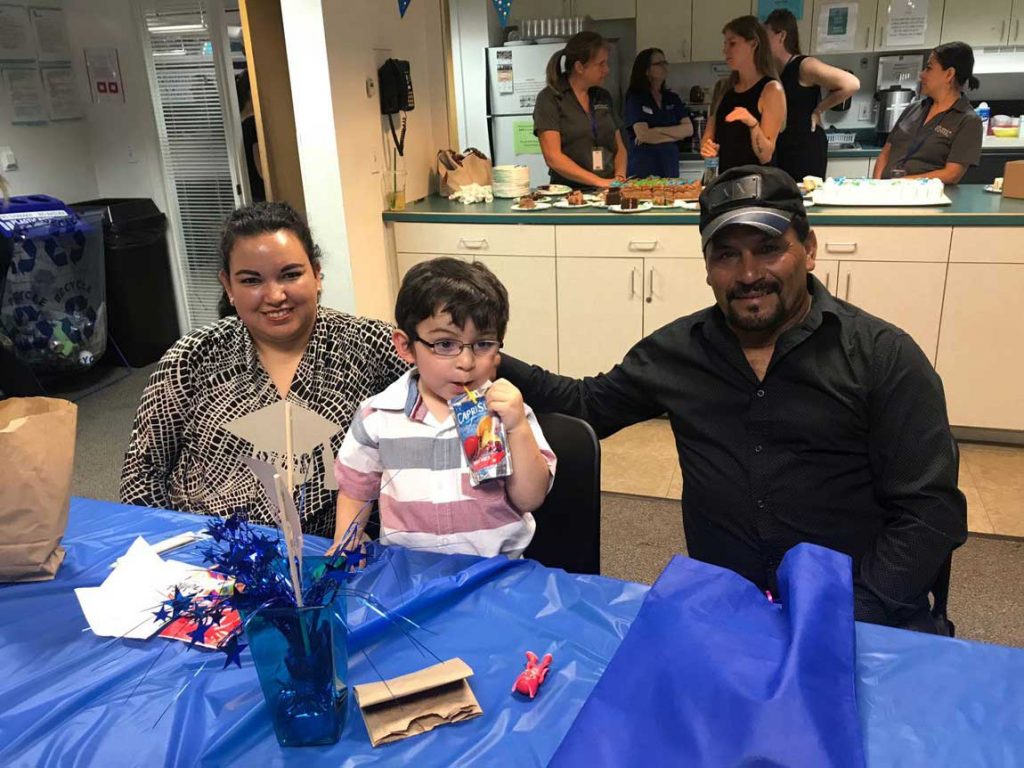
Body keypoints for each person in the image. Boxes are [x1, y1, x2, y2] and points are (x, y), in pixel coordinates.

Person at [499, 165, 967, 634]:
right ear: (707, 268)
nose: (748, 274)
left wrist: (856, 611)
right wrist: (477, 353)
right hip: (728, 613)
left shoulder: (882, 356)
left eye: (768, 249)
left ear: (808, 251)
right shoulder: (677, 352)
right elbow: (585, 404)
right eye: (726, 255)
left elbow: (929, 512)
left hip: (862, 612)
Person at [120, 202, 407, 537]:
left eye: (290, 274)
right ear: (228, 286)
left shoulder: (370, 345)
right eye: (251, 280)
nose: (274, 295)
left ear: (316, 274)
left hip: (329, 556)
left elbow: (454, 382)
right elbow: (142, 476)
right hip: (202, 555)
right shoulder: (192, 357)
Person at [332, 258, 556, 557]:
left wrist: (516, 427)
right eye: (445, 345)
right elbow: (356, 489)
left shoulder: (508, 414)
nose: (466, 362)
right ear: (406, 346)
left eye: (483, 344)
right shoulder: (378, 416)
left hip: (495, 573)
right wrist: (346, 543)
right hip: (408, 573)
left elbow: (530, 498)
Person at [764, 9, 861, 181]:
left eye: (766, 35)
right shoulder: (774, 71)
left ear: (781, 36)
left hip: (805, 149)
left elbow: (851, 84)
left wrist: (819, 109)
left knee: (807, 200)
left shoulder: (805, 65)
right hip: (783, 148)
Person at [873, 42, 983, 184]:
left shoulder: (968, 121)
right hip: (887, 193)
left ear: (949, 74)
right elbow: (885, 153)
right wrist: (876, 186)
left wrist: (900, 184)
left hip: (923, 198)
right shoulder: (913, 108)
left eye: (929, 68)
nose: (922, 74)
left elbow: (952, 174)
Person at [533, 31, 627, 189]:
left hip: (608, 190)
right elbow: (553, 157)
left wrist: (619, 178)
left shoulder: (602, 96)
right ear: (579, 67)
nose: (607, 70)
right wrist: (599, 182)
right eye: (601, 64)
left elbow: (620, 147)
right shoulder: (550, 98)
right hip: (568, 194)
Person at [701, 16, 785, 173]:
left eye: (732, 43)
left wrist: (752, 123)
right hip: (726, 184)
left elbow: (765, 155)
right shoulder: (723, 88)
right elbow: (708, 136)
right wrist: (707, 148)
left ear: (753, 44)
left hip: (757, 187)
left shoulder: (771, 90)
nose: (725, 50)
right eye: (724, 44)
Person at [622, 48, 694, 179]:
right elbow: (643, 134)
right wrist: (676, 135)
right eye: (658, 63)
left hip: (669, 166)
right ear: (646, 70)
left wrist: (655, 130)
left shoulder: (672, 98)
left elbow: (688, 130)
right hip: (644, 167)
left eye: (665, 62)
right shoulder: (636, 97)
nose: (664, 66)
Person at [236, 70, 266, 203]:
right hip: (260, 194)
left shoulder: (237, 126)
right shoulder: (252, 124)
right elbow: (262, 169)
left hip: (249, 191)